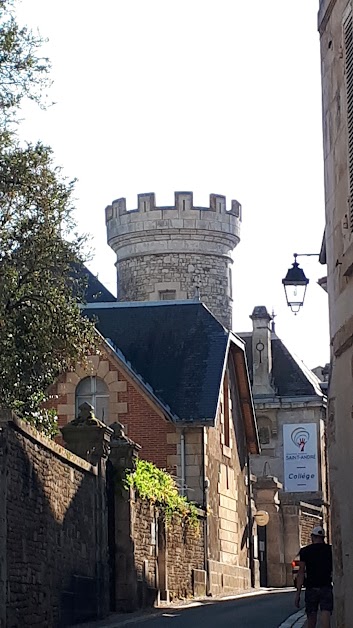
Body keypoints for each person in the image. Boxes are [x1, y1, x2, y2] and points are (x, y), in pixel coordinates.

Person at [295, 525, 333, 628]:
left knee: (311, 616)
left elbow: (301, 572)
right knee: (326, 612)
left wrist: (298, 594)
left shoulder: (305, 551)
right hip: (326, 586)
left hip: (311, 587)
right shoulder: (330, 550)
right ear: (323, 537)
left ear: (312, 537)